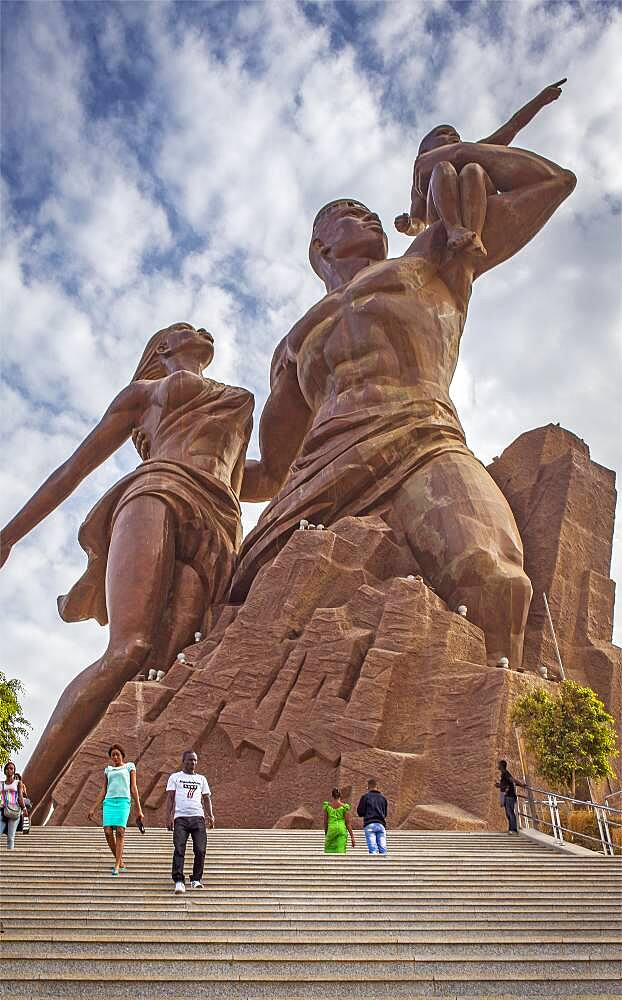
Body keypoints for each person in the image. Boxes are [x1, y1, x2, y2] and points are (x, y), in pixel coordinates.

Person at [233, 108, 575, 675]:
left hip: (422, 437)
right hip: (318, 475)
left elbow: (550, 182)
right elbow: (270, 471)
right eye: (348, 212)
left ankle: (493, 750)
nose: (367, 214)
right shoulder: (294, 343)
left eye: (369, 211)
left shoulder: (431, 258)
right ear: (319, 247)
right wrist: (190, 470)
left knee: (496, 584)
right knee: (241, 614)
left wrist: (443, 159)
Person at [1, 323, 254, 815]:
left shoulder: (237, 401)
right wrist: (8, 536)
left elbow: (253, 476)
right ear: (162, 349)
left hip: (221, 521)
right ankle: (21, 801)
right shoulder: (147, 392)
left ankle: (83, 797)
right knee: (128, 649)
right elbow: (74, 468)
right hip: (156, 493)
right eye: (184, 328)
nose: (200, 329)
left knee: (167, 662)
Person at [394, 78, 567, 253]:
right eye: (444, 134)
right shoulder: (420, 179)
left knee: (473, 169)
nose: (454, 137)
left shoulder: (467, 153)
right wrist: (408, 225)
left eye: (457, 135)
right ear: (425, 149)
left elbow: (511, 128)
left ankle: (474, 235)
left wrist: (540, 101)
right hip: (442, 220)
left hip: (479, 205)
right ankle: (454, 229)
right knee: (443, 168)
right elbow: (420, 221)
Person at [88, 744, 144, 875]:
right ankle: (119, 860)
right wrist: (94, 808)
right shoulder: (108, 770)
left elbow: (134, 788)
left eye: (117, 754)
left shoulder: (130, 766)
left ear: (122, 755)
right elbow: (104, 789)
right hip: (109, 802)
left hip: (123, 802)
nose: (115, 757)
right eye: (112, 755)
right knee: (107, 832)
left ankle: (117, 865)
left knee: (120, 831)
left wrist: (139, 809)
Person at [166, 750, 214, 894]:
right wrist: (169, 816)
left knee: (200, 849)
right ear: (184, 761)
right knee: (179, 849)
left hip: (198, 818)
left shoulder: (201, 779)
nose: (192, 762)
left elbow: (206, 798)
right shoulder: (175, 777)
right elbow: (170, 798)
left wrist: (210, 815)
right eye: (190, 760)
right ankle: (179, 881)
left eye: (195, 760)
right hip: (180, 818)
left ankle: (196, 879)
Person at [356, 778, 388, 856]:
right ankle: (384, 864)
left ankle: (374, 864)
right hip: (380, 824)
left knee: (372, 849)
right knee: (383, 848)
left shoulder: (365, 797)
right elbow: (385, 813)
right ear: (377, 786)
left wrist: (366, 813)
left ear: (368, 787)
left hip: (369, 823)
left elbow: (360, 811)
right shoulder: (383, 798)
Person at [322, 787, 355, 854]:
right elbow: (348, 823)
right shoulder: (344, 807)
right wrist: (352, 837)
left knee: (329, 851)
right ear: (340, 795)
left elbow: (325, 822)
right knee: (341, 850)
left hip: (332, 829)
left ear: (332, 796)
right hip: (341, 828)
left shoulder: (327, 807)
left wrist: (326, 833)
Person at [0, 762, 25, 850]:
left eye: (12, 769)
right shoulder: (1, 783)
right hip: (2, 810)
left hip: (15, 810)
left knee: (11, 837)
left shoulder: (18, 783)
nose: (10, 770)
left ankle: (9, 854)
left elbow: (20, 797)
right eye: (8, 768)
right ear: (5, 771)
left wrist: (24, 808)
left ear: (14, 771)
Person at [496, 759, 523, 834]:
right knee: (508, 813)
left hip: (510, 796)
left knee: (510, 812)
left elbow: (513, 780)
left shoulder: (505, 773)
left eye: (498, 764)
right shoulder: (503, 774)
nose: (497, 766)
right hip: (507, 795)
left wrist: (521, 785)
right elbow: (506, 784)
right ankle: (511, 828)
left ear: (502, 766)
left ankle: (513, 829)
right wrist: (499, 785)